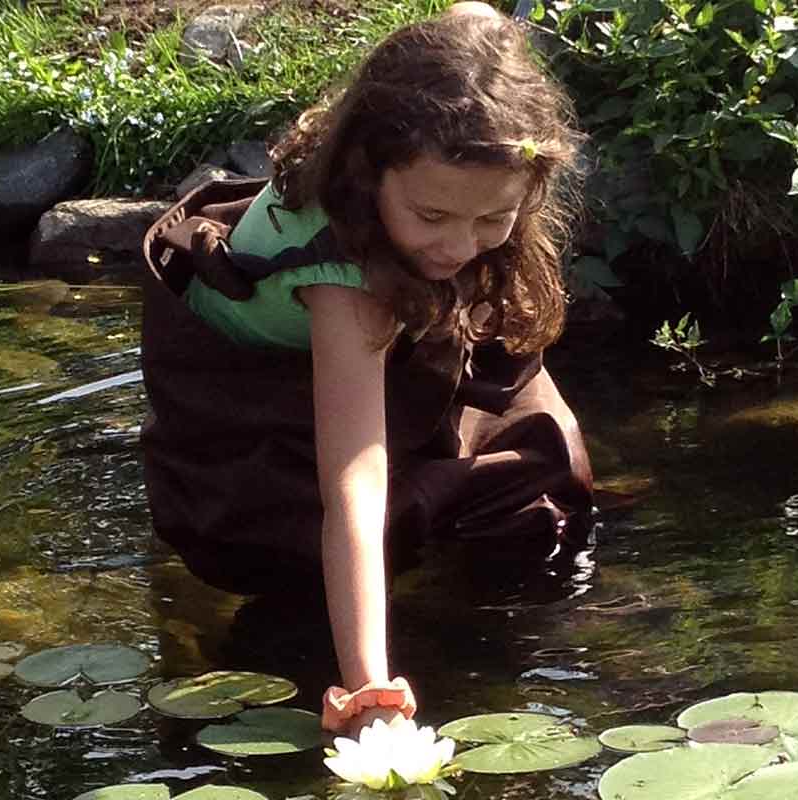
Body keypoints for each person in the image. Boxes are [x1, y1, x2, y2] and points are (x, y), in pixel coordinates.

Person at [137, 1, 595, 735]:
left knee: (539, 459)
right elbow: (352, 477)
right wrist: (367, 686)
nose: (459, 246)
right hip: (250, 395)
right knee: (310, 556)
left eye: (493, 219)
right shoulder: (343, 269)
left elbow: (471, 19)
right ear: (370, 168)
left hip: (383, 321)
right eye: (433, 217)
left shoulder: (448, 172)